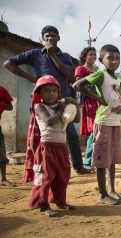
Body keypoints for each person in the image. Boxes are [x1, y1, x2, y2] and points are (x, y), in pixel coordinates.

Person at [3, 25, 92, 180]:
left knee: (70, 134)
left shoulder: (64, 56)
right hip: (42, 103)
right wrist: (33, 79)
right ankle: (40, 169)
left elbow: (71, 76)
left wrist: (53, 56)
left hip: (63, 102)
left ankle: (77, 166)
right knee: (41, 136)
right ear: (42, 39)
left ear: (58, 38)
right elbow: (8, 64)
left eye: (53, 36)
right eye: (47, 36)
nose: (50, 39)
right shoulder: (34, 54)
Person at [73, 44, 121, 205]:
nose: (114, 61)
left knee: (112, 159)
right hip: (103, 123)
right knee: (102, 161)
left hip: (114, 123)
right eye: (110, 58)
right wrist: (98, 98)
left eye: (117, 58)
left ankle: (112, 190)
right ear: (102, 60)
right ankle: (102, 194)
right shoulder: (100, 74)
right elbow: (77, 85)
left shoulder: (115, 78)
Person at [29, 75, 79, 217]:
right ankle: (43, 205)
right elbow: (50, 121)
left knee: (62, 176)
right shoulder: (39, 107)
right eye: (46, 91)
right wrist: (61, 108)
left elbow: (77, 119)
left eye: (54, 91)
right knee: (45, 176)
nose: (51, 94)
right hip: (46, 148)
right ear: (39, 94)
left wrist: (74, 104)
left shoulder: (61, 106)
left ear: (58, 93)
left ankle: (60, 201)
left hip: (62, 148)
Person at [74, 47, 99, 167]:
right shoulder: (80, 69)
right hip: (89, 103)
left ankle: (93, 160)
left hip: (98, 103)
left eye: (95, 55)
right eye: (91, 55)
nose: (93, 57)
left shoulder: (95, 72)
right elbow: (79, 85)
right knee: (94, 132)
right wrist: (93, 93)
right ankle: (87, 162)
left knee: (97, 132)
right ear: (84, 56)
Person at [0, 86, 14, 186]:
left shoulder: (1, 90)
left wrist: (2, 104)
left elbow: (10, 107)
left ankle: (3, 179)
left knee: (1, 152)